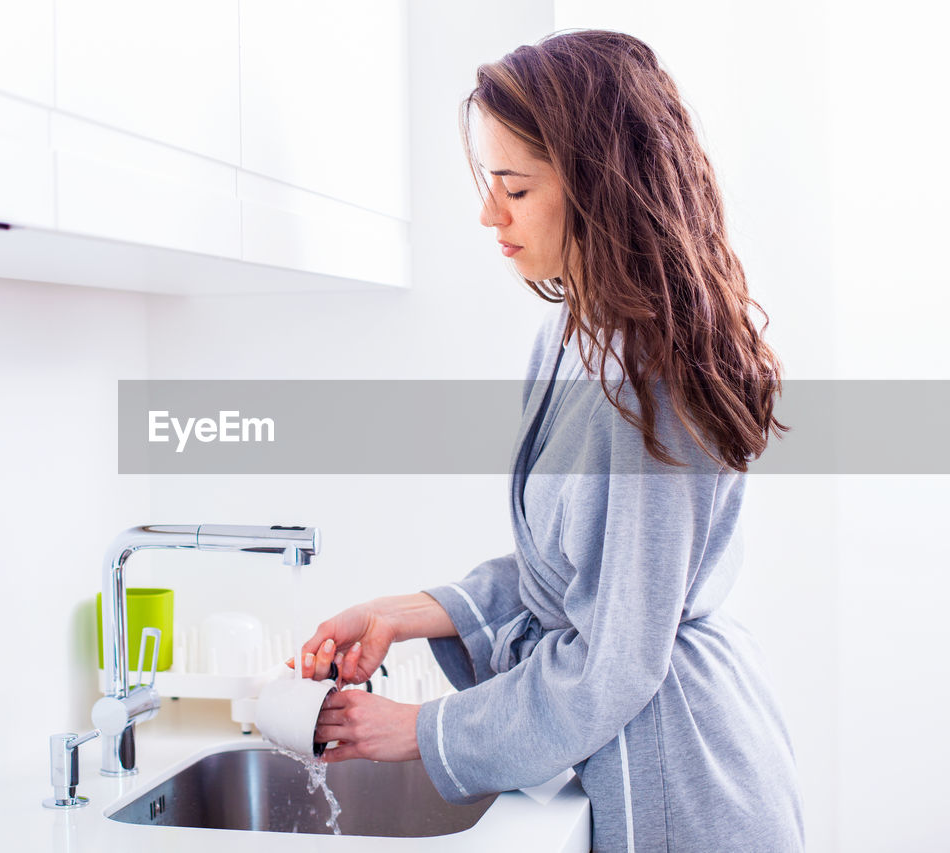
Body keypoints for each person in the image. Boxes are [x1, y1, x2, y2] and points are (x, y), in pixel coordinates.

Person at [289, 29, 806, 851]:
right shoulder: (574, 333)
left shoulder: (649, 378)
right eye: (488, 181)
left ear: (601, 186)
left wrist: (418, 727)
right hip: (649, 756)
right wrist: (408, 612)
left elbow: (616, 662)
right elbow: (571, 579)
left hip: (683, 783)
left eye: (517, 188)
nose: (489, 213)